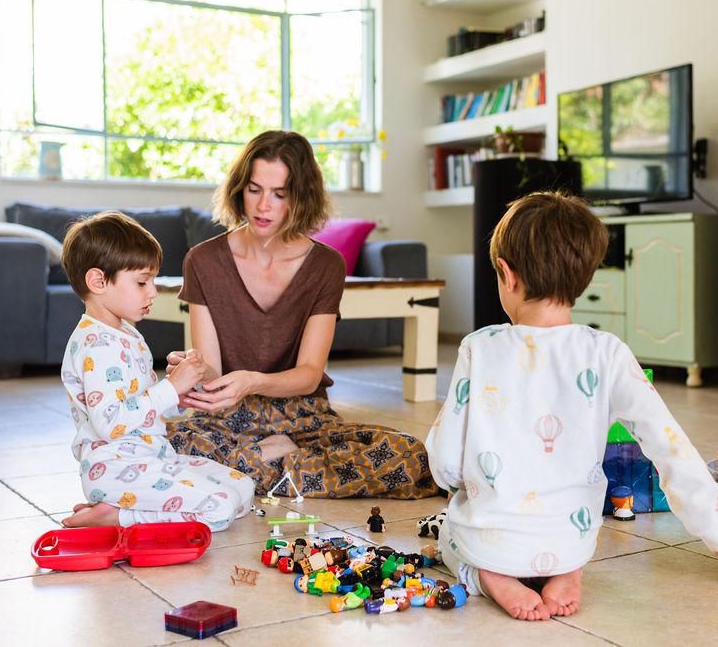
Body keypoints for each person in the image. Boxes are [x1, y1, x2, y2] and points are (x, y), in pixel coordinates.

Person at [425, 192, 718, 621]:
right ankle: (566, 571)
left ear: (506, 275)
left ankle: (491, 576)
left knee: (449, 531)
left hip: (491, 535)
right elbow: (667, 443)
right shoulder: (608, 352)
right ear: (583, 278)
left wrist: (451, 481)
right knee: (567, 524)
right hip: (571, 535)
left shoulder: (479, 347)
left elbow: (447, 454)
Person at [165, 130, 438, 500]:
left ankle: (240, 472)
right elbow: (213, 372)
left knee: (409, 455)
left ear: (302, 197)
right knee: (158, 445)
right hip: (228, 418)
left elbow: (309, 375)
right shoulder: (202, 260)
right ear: (239, 189)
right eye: (255, 189)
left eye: (280, 194)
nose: (264, 206)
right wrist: (194, 371)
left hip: (302, 416)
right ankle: (279, 462)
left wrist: (252, 380)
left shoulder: (325, 264)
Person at [58, 211, 255, 531]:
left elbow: (145, 407)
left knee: (243, 488)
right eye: (141, 282)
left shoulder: (128, 334)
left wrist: (184, 390)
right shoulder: (95, 344)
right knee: (219, 508)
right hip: (115, 469)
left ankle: (117, 509)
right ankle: (118, 515)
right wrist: (169, 389)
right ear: (98, 281)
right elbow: (110, 424)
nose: (152, 291)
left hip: (153, 457)